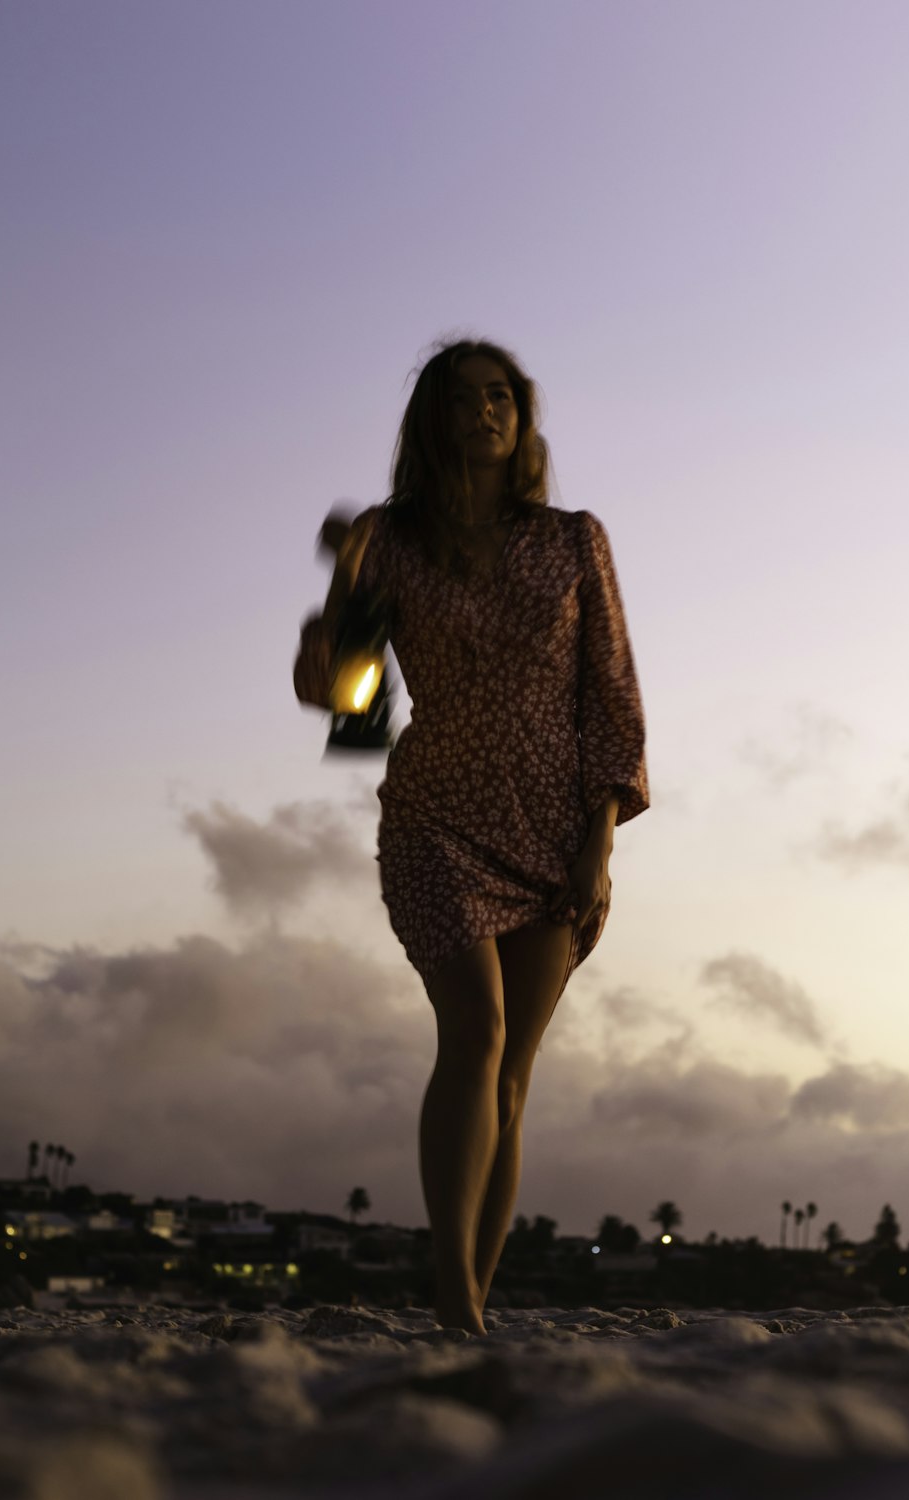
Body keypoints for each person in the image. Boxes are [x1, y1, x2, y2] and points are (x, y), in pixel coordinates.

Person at [294, 337, 648, 1334]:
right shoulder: (391, 541)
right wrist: (336, 613)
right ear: (433, 422)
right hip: (436, 816)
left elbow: (610, 696)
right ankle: (454, 1308)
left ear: (520, 417)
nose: (485, 412)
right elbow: (351, 706)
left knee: (514, 1077)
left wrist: (600, 839)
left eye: (501, 397)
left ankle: (471, 1305)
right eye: (463, 399)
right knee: (477, 1034)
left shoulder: (576, 540)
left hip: (556, 831)